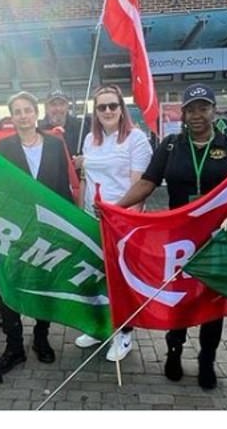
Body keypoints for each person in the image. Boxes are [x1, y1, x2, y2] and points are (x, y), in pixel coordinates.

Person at [112, 84, 227, 390]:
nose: (197, 115)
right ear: (183, 113)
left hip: (216, 238)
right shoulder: (171, 145)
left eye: (204, 108)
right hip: (179, 240)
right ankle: (174, 350)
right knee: (179, 297)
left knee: (212, 299)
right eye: (191, 109)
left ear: (215, 111)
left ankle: (207, 359)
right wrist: (116, 208)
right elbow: (148, 182)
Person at [0, 91, 74, 375]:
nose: (23, 115)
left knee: (43, 281)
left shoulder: (54, 144)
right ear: (11, 117)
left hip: (47, 228)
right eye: (17, 111)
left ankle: (41, 336)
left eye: (28, 110)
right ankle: (14, 345)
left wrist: (69, 226)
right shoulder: (3, 147)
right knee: (8, 283)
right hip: (14, 228)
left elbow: (63, 187)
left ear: (36, 113)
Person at [73, 84, 152, 361]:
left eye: (112, 106)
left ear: (122, 109)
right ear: (95, 112)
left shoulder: (136, 139)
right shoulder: (89, 140)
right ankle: (98, 327)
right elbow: (86, 178)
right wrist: (79, 211)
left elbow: (139, 185)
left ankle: (124, 333)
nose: (107, 111)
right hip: (91, 219)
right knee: (94, 275)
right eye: (102, 107)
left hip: (121, 221)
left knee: (119, 279)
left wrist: (126, 219)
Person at [39, 90, 89, 157]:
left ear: (67, 106)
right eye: (53, 104)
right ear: (46, 108)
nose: (58, 108)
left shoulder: (81, 127)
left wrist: (83, 160)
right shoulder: (39, 132)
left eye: (62, 104)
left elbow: (91, 153)